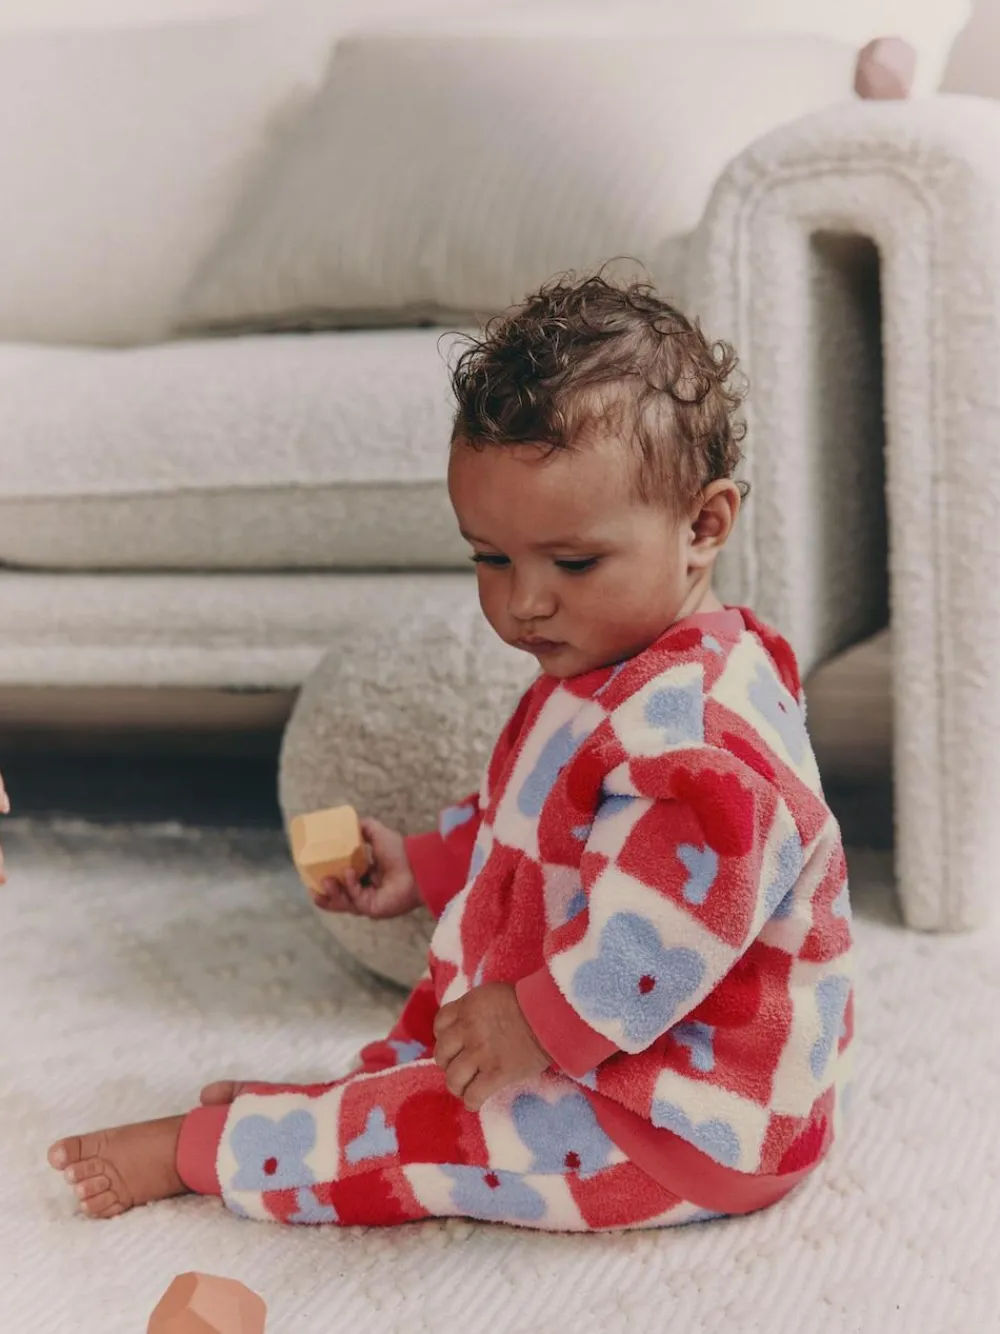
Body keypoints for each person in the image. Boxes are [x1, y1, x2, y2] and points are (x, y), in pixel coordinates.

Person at [45, 274, 853, 1232]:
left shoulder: (697, 740)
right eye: (490, 557)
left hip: (673, 1124)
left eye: (573, 562)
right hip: (608, 1059)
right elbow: (548, 819)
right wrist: (427, 863)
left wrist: (536, 1022)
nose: (525, 602)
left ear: (703, 527)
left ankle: (199, 1154)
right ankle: (325, 1111)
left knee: (423, 1139)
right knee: (443, 1033)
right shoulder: (604, 662)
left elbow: (666, 937)